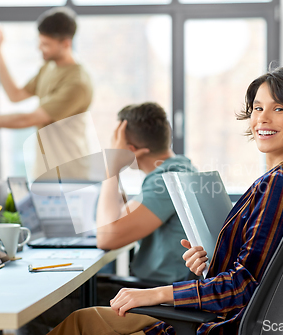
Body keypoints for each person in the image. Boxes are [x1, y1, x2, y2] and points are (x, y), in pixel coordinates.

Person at [46, 66, 283, 335]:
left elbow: (245, 285)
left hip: (217, 324)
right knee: (84, 319)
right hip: (220, 314)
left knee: (79, 322)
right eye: (258, 108)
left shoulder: (280, 184)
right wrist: (212, 263)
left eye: (279, 108)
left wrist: (158, 293)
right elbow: (257, 273)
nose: (262, 117)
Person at [17, 102, 197, 335]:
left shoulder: (165, 181)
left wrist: (111, 168)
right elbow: (118, 219)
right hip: (153, 288)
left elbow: (106, 237)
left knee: (35, 306)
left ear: (132, 150)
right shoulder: (175, 171)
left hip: (155, 294)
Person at [0, 7, 93, 180]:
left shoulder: (77, 83)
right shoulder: (49, 67)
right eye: (40, 42)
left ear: (66, 44)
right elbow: (15, 95)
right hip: (45, 173)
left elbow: (28, 119)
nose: (40, 48)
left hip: (70, 176)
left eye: (46, 45)